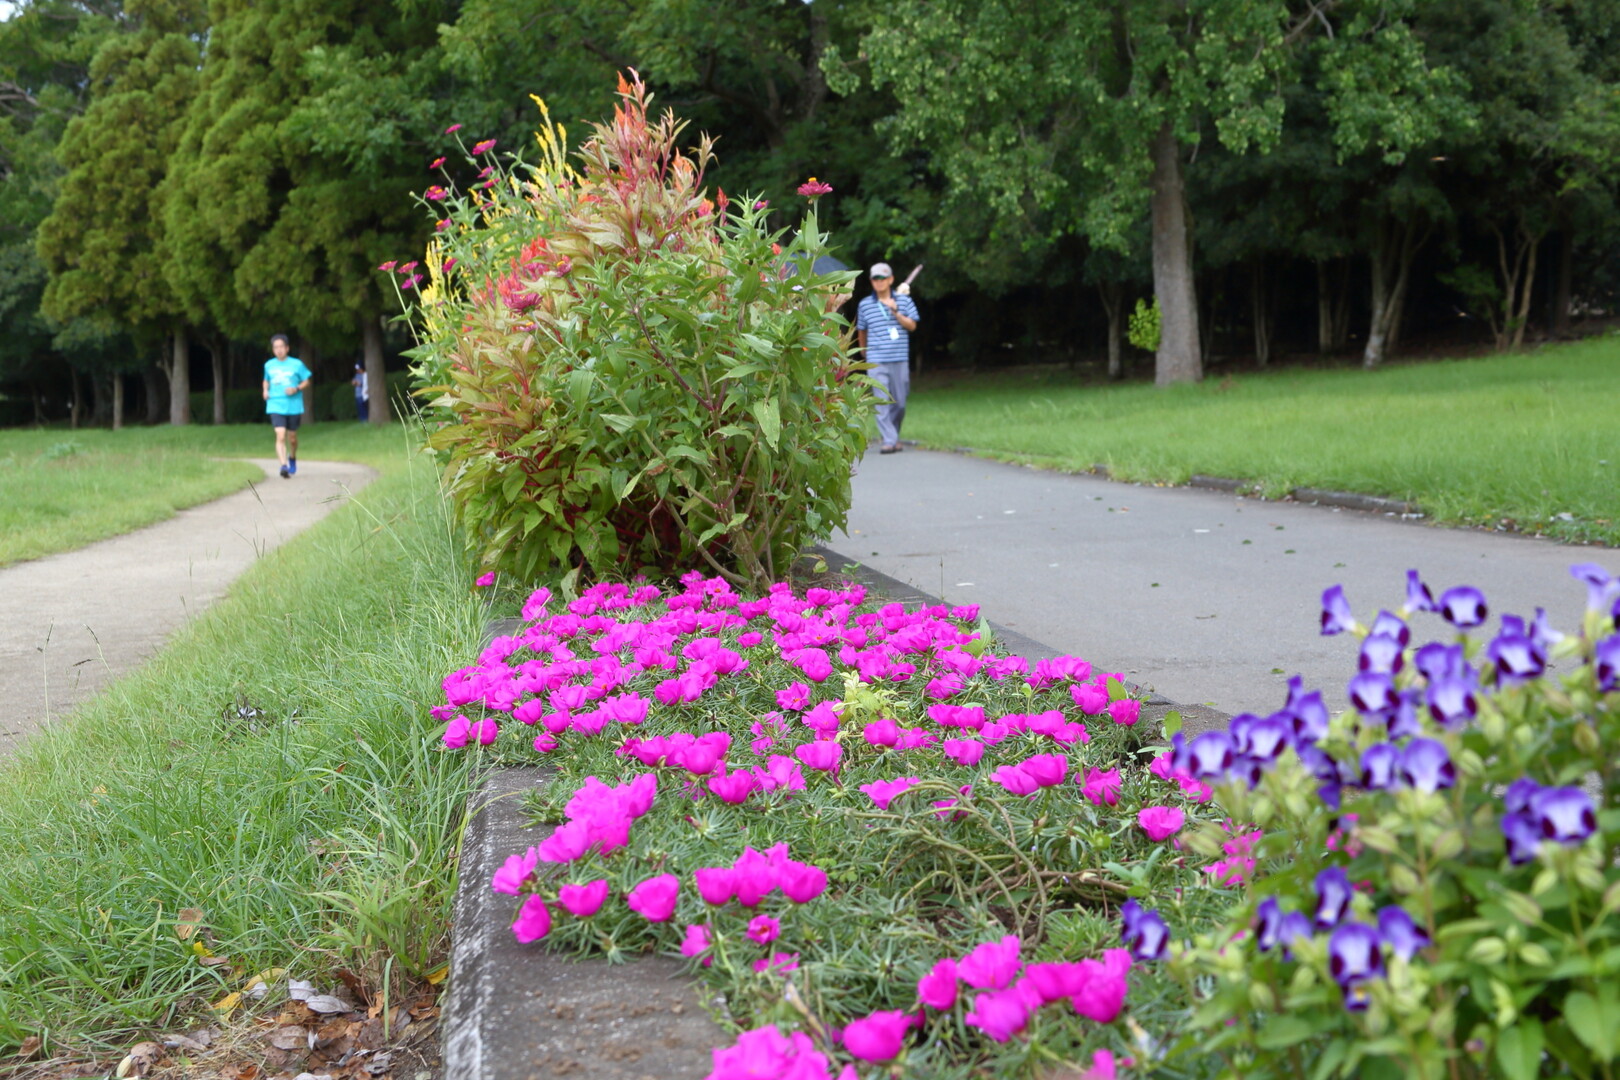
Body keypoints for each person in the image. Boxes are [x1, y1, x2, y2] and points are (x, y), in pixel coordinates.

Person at [855, 262, 919, 454]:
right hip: (876, 359)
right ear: (871, 282)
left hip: (899, 358)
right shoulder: (865, 304)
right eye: (875, 278)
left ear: (891, 280)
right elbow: (862, 330)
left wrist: (896, 311)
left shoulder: (904, 301)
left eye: (883, 278)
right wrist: (864, 352)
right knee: (882, 400)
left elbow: (912, 326)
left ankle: (893, 437)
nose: (879, 282)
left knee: (899, 402)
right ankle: (889, 440)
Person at [262, 334, 312, 479]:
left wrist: (296, 388)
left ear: (287, 348)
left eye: (281, 347)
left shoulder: (297, 364)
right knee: (280, 434)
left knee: (292, 438)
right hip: (275, 404)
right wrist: (265, 390)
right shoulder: (269, 365)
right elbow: (266, 380)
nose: (279, 350)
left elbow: (306, 381)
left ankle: (293, 456)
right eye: (275, 347)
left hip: (293, 405)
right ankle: (283, 465)